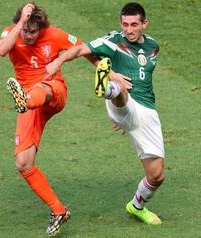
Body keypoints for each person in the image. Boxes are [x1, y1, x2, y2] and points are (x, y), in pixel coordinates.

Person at [46, 2, 165, 225]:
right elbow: (80, 49)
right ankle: (108, 88)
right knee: (120, 87)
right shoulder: (113, 40)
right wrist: (58, 61)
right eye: (125, 24)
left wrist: (128, 122)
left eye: (134, 25)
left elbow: (146, 81)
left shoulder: (153, 47)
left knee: (157, 175)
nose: (129, 30)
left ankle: (136, 206)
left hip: (146, 111)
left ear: (144, 24)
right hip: (123, 100)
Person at [0, 2, 98, 235]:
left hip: (53, 92)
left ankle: (26, 99)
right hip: (28, 105)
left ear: (41, 28)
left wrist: (107, 72)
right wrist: (20, 23)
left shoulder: (54, 35)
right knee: (23, 163)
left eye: (34, 32)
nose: (29, 36)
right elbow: (2, 50)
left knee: (44, 86)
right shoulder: (11, 32)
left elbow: (87, 49)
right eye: (25, 30)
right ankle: (58, 210)